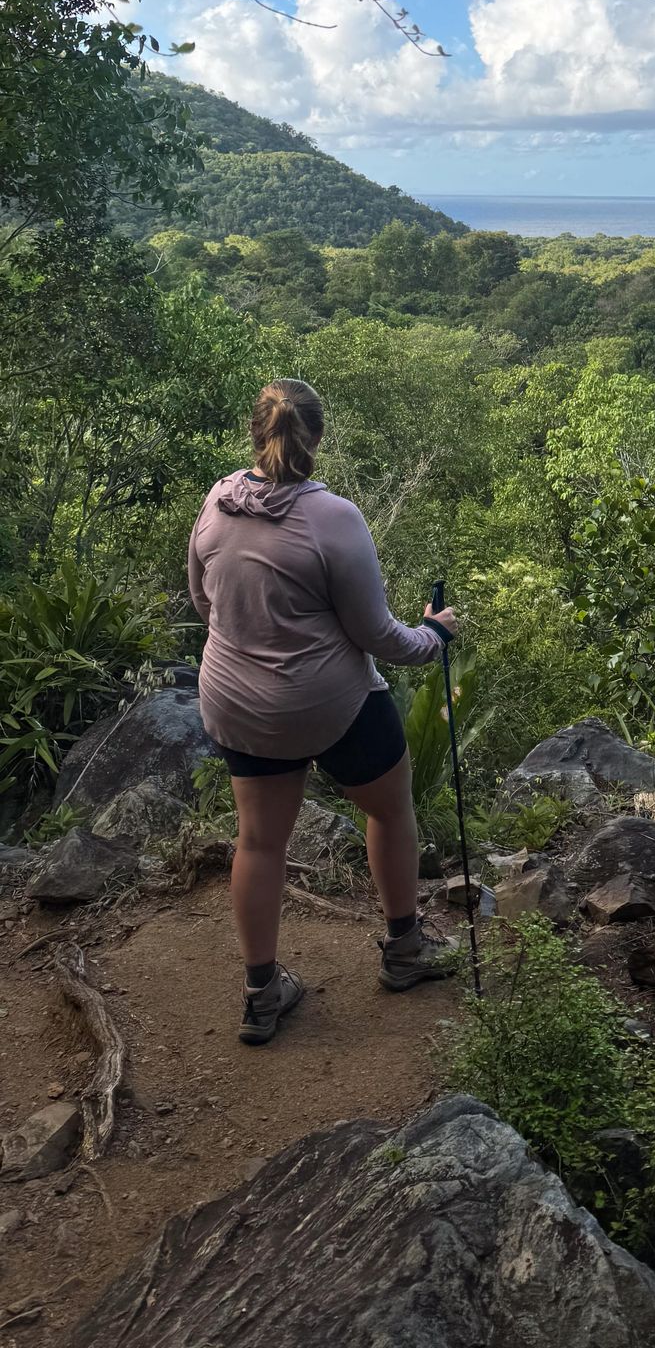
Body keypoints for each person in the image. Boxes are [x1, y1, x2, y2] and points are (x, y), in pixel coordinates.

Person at [187, 377, 458, 1045]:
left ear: (255, 433)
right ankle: (404, 951)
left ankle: (261, 995)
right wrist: (436, 636)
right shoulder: (333, 517)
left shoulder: (217, 504)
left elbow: (205, 602)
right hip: (328, 701)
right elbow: (378, 637)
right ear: (319, 438)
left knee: (259, 841)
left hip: (237, 698)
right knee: (391, 809)